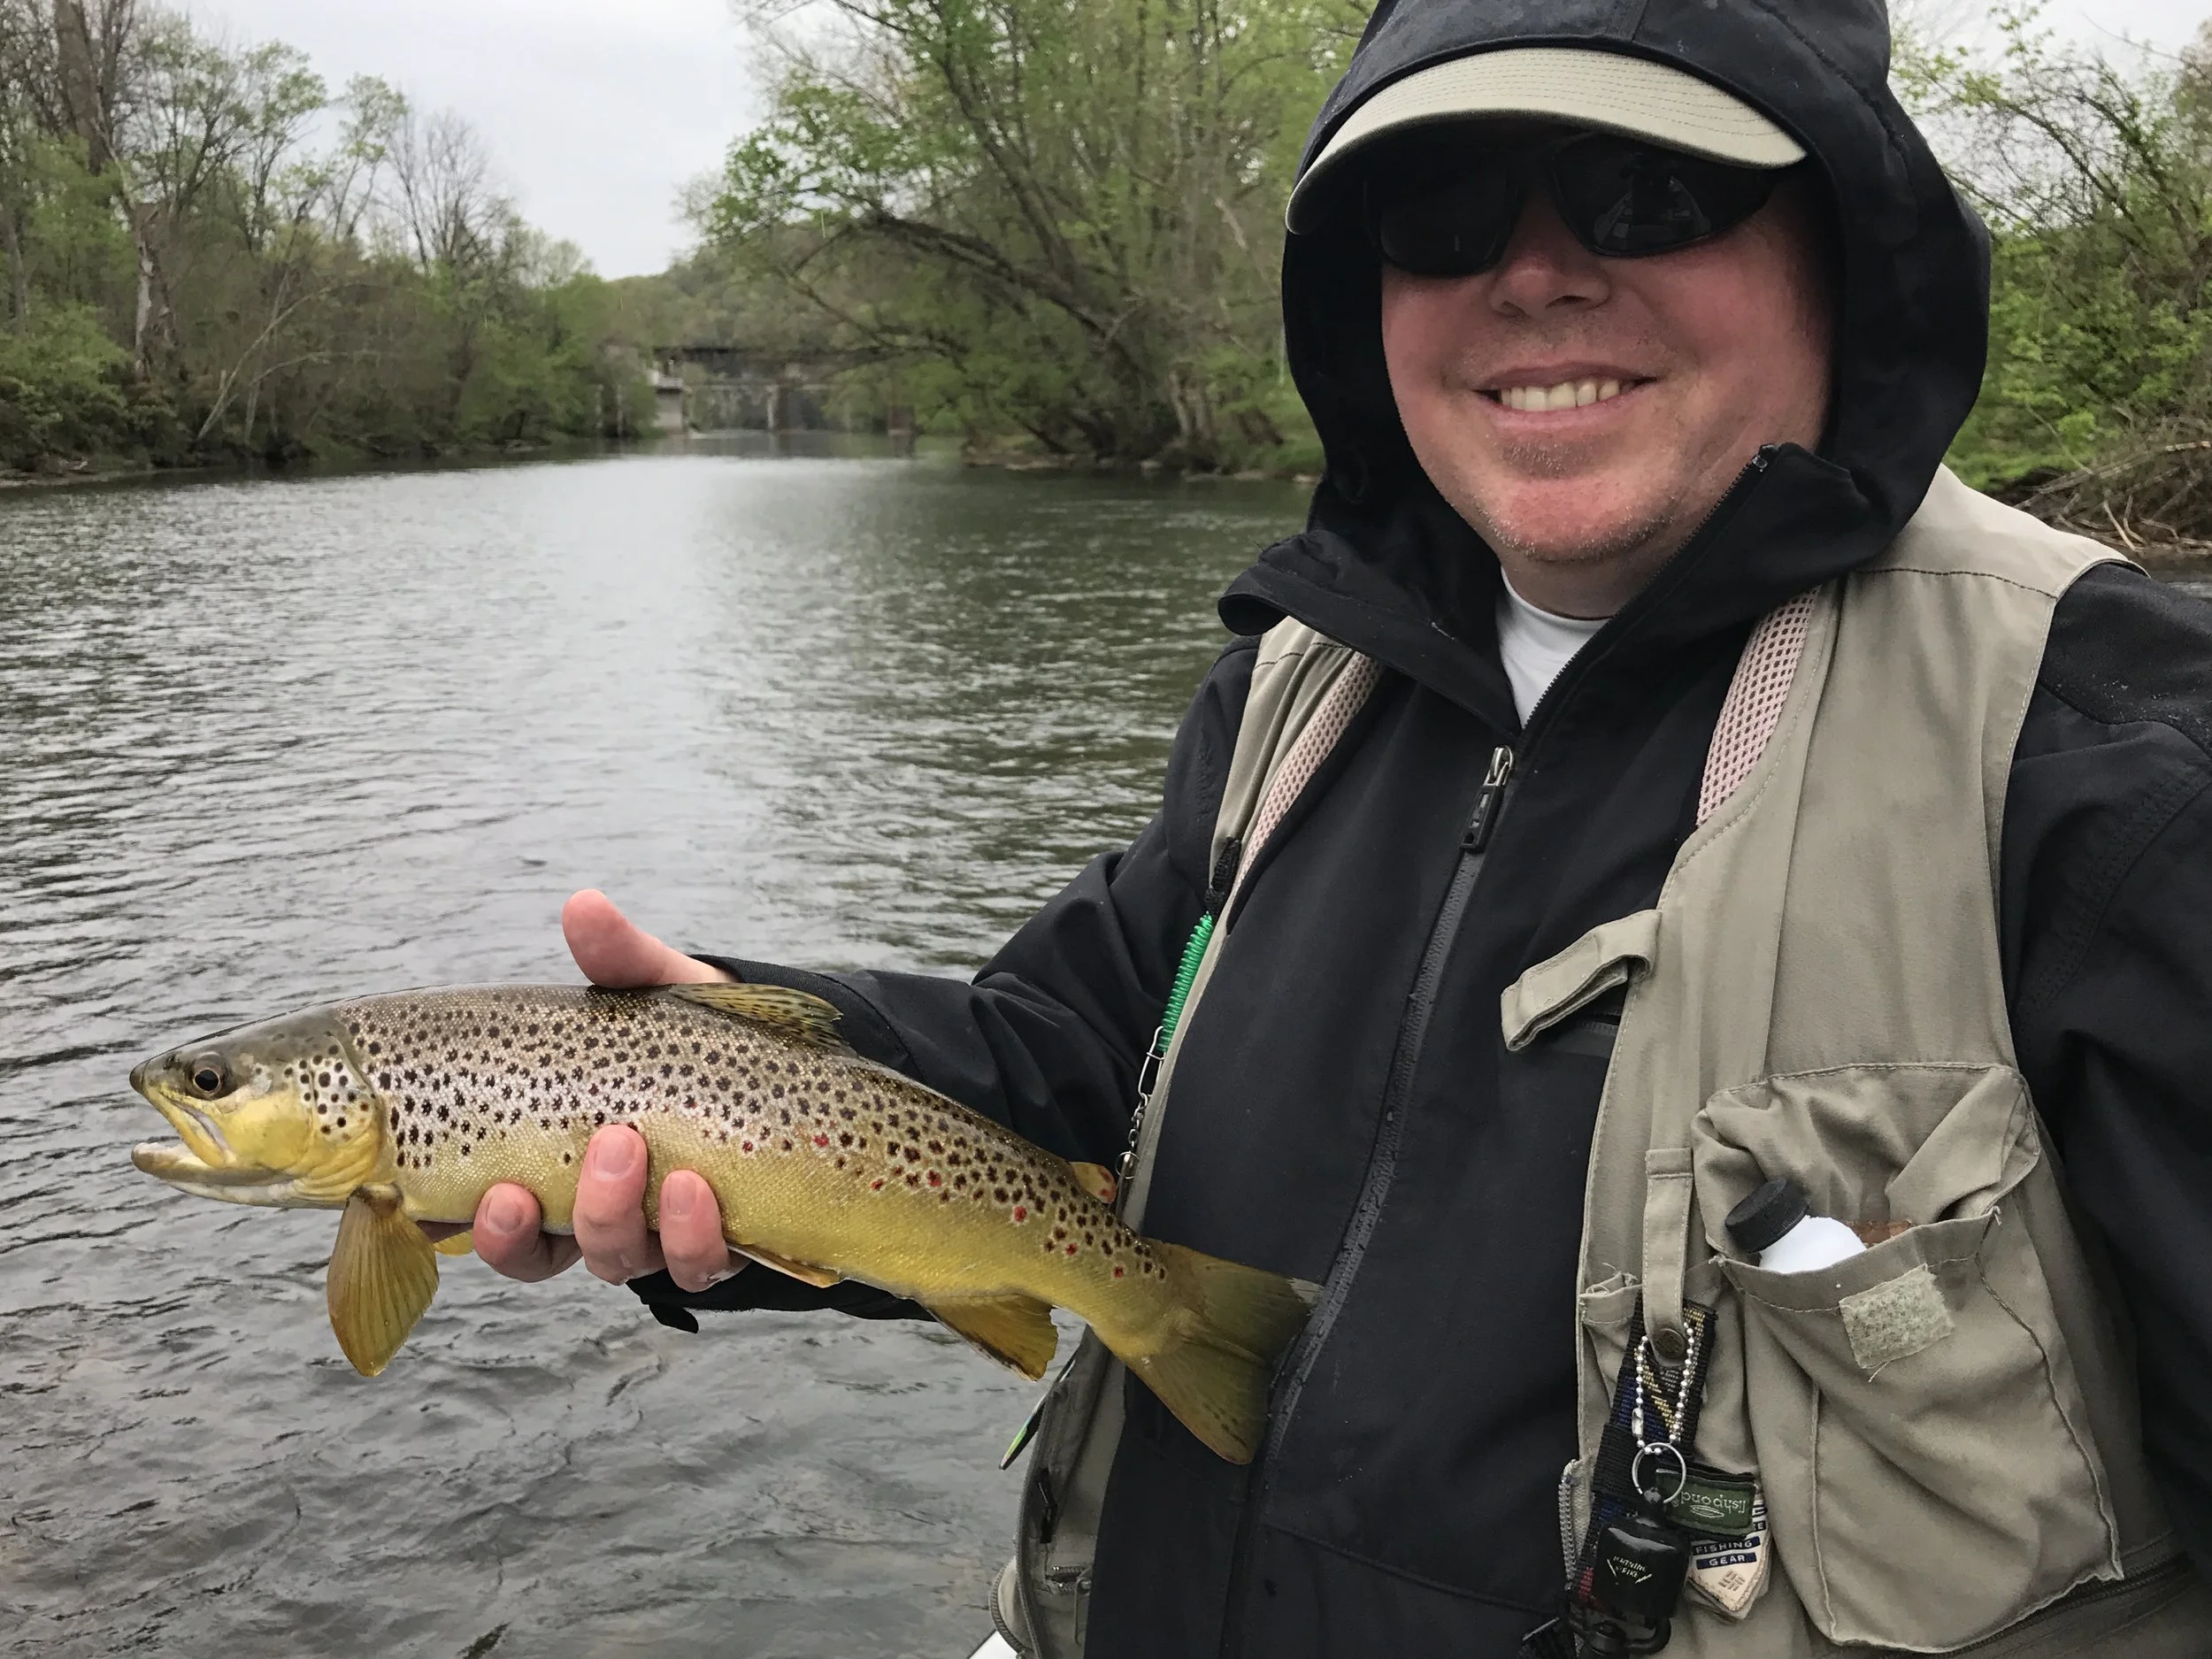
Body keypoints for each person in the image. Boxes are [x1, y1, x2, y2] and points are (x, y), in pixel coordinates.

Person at [446, 0, 2212, 1653]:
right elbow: (1050, 1063)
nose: (1529, 274)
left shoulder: (2112, 761)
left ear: (1840, 236)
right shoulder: (1297, 684)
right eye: (1438, 207)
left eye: (1642, 188)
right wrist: (704, 1071)